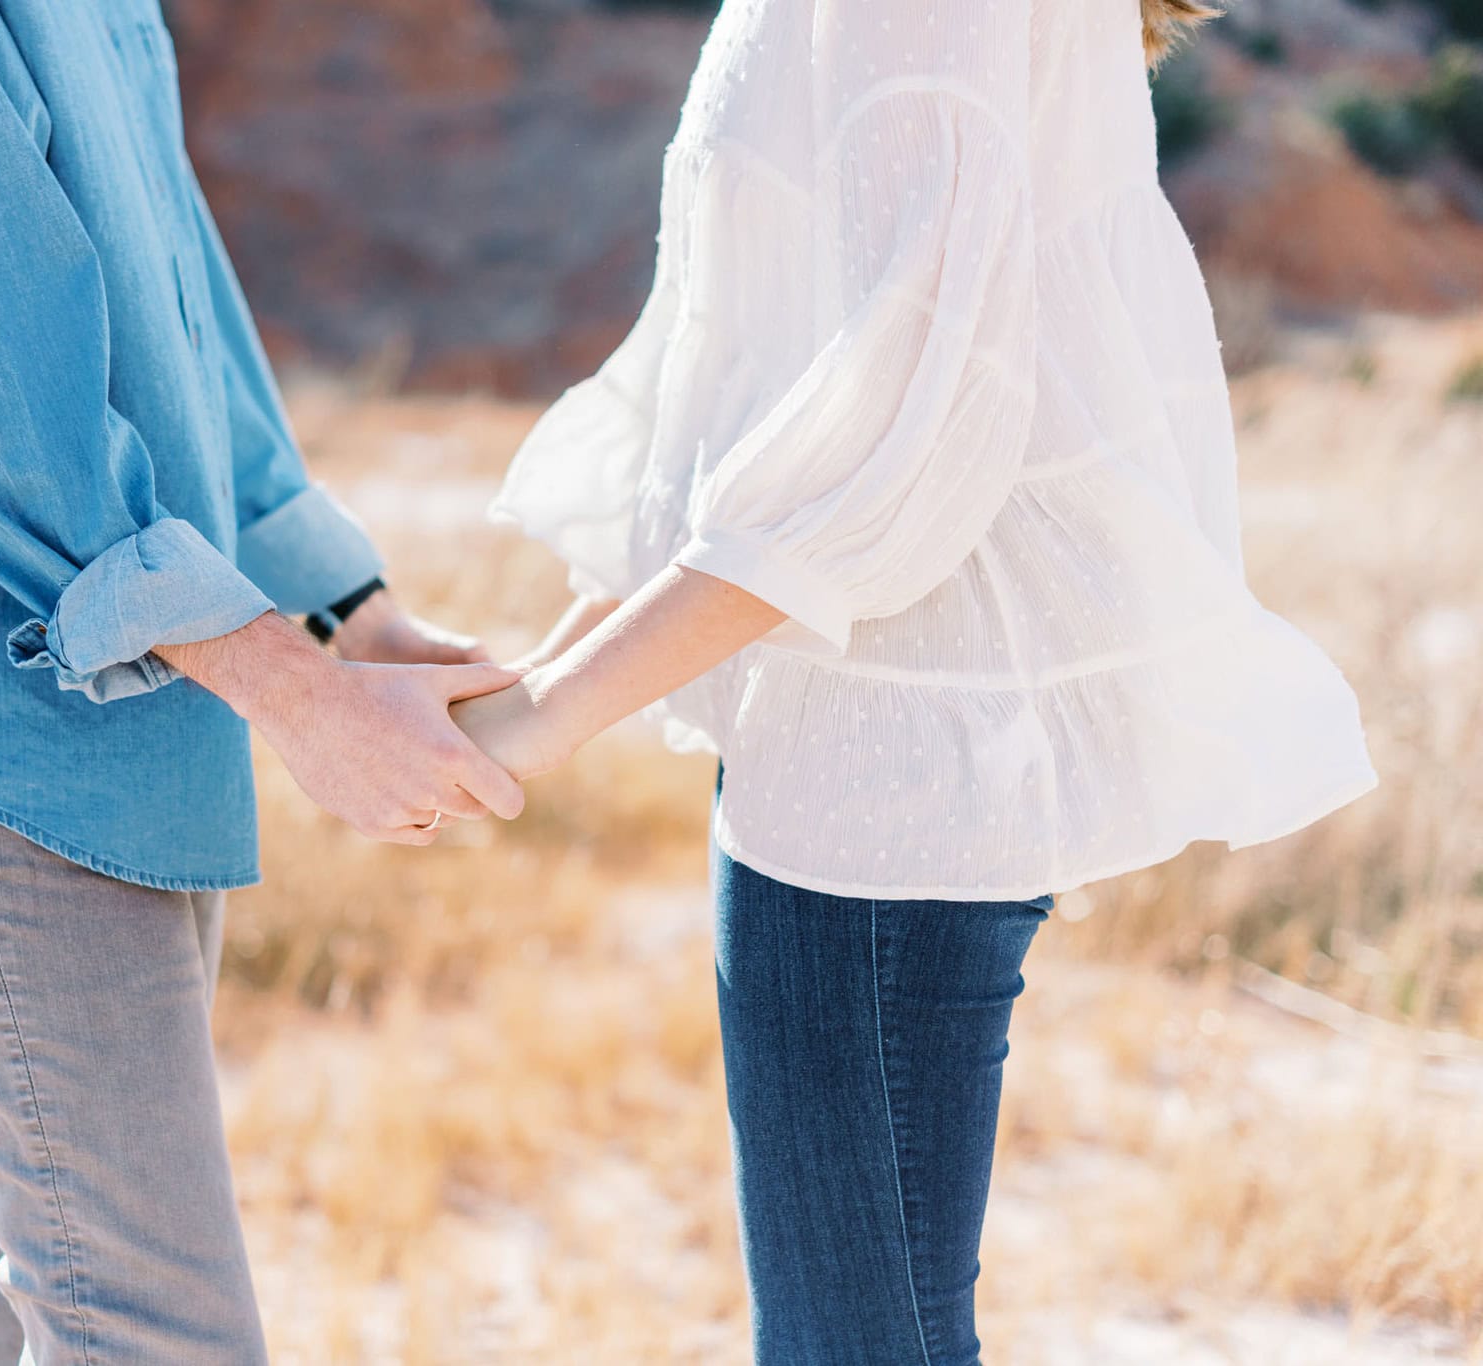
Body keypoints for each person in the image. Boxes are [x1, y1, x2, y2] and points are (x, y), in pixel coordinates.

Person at [457, 0, 1377, 1361]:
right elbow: (774, 368)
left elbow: (912, 415)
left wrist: (549, 717)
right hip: (859, 737)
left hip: (886, 762)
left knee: (857, 1342)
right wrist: (558, 658)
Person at [0, 1, 524, 1360]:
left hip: (141, 730)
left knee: (45, 1329)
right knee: (154, 1339)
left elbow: (169, 284)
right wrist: (298, 695)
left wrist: (346, 609)